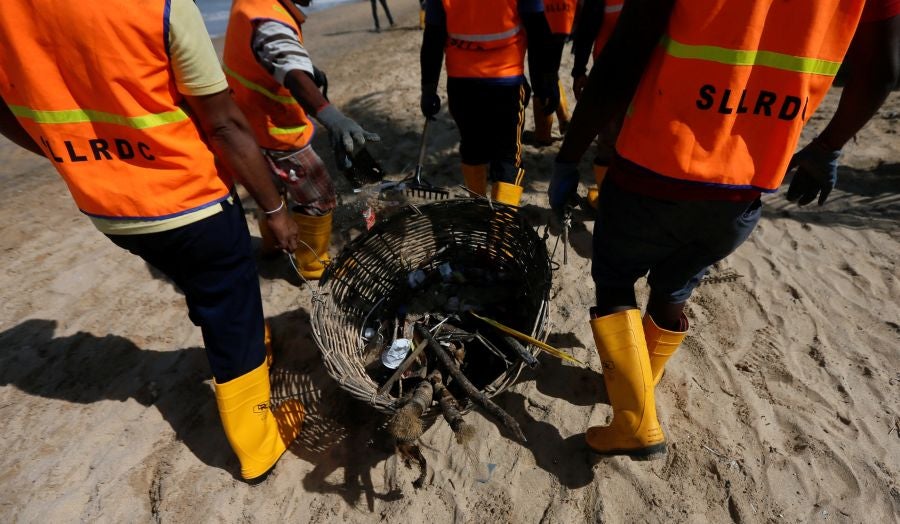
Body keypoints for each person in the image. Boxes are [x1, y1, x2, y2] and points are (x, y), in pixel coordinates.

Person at [549, 0, 900, 456]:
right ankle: (638, 385)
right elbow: (884, 70)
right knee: (677, 281)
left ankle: (635, 420)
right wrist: (828, 146)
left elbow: (625, 55)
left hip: (657, 162)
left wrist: (569, 154)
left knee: (615, 276)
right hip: (747, 183)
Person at [0, 0, 306, 482]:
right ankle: (257, 447)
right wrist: (274, 209)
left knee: (202, 284)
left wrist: (67, 151)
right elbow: (224, 122)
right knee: (229, 299)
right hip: (190, 200)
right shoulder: (159, 6)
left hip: (109, 210)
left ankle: (242, 334)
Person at [224, 0, 380, 280]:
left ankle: (271, 245)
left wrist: (306, 66)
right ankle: (313, 264)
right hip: (277, 133)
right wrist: (332, 118)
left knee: (270, 191)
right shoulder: (269, 19)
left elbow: (273, 56)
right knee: (319, 197)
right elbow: (293, 75)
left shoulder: (251, 5)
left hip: (246, 126)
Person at [420, 0, 560, 206]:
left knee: (472, 148)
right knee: (507, 155)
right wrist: (547, 79)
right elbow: (538, 29)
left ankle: (479, 208)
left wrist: (429, 88)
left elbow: (433, 37)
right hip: (506, 81)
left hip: (462, 83)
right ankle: (501, 225)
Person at [570, 0, 625, 208]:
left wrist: (579, 71)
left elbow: (588, 28)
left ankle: (607, 201)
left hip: (608, 72)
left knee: (609, 141)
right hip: (650, 77)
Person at [529, 0, 577, 146]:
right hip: (553, 12)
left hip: (535, 11)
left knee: (539, 71)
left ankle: (543, 134)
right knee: (548, 68)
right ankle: (563, 118)